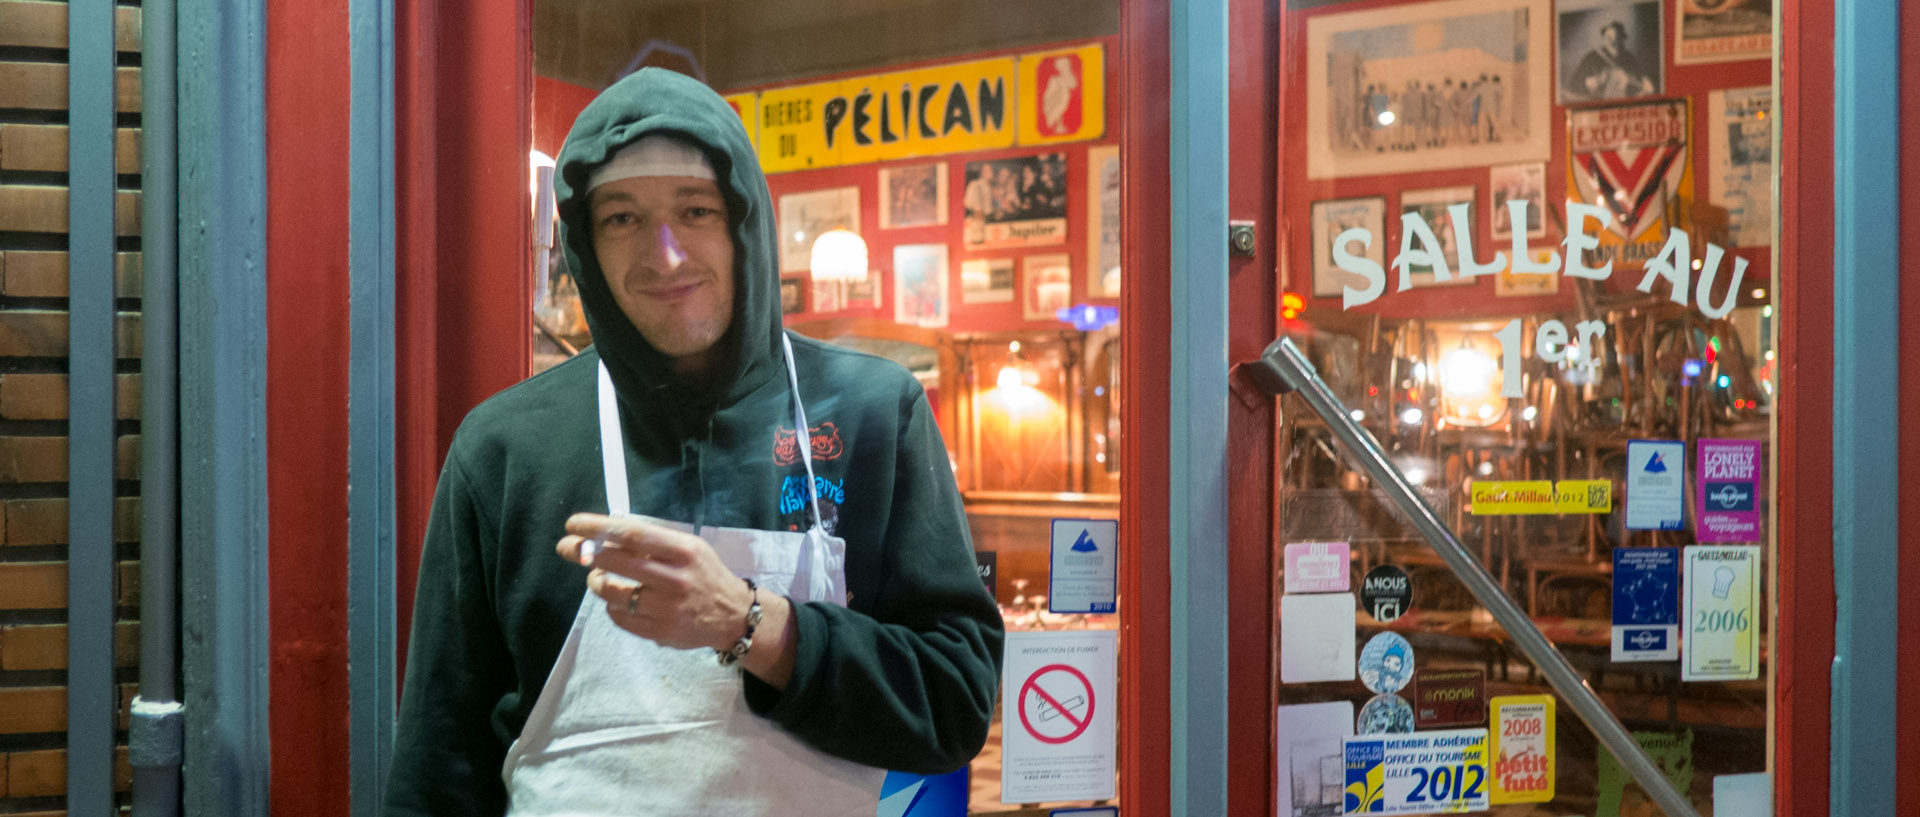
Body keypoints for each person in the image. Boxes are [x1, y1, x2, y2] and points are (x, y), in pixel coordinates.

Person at [384, 67, 1004, 815]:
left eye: (696, 209)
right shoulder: (505, 449)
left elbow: (956, 702)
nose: (665, 254)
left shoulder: (875, 413)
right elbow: (438, 771)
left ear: (746, 221)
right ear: (583, 244)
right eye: (622, 218)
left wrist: (752, 624)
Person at [1570, 21, 1656, 101]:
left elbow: (1642, 81)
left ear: (1622, 39)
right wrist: (1588, 82)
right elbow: (1575, 83)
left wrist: (1644, 85)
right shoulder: (1591, 57)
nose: (1611, 41)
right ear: (1603, 38)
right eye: (1608, 37)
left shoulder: (1629, 59)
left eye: (1616, 37)